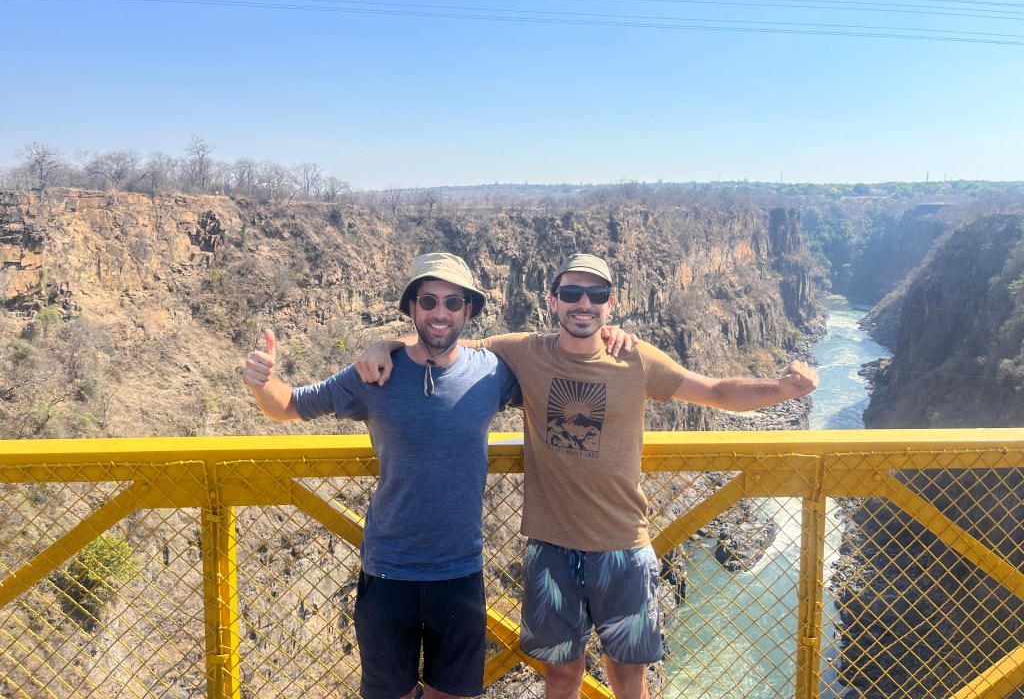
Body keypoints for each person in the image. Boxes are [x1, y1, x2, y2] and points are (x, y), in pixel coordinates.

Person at [356, 253, 820, 699]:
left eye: (596, 294)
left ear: (609, 303)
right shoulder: (523, 351)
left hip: (622, 546)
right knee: (560, 681)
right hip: (550, 548)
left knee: (630, 683)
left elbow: (716, 391)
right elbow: (446, 342)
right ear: (553, 300)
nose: (584, 303)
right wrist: (388, 346)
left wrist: (782, 389)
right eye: (572, 292)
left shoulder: (636, 358)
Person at [242, 252, 522, 699]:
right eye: (428, 301)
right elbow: (288, 406)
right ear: (411, 307)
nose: (440, 313)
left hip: (460, 570)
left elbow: (554, 363)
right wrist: (262, 382)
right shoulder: (372, 376)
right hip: (389, 570)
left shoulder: (492, 373)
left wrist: (611, 341)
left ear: (469, 311)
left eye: (453, 302)